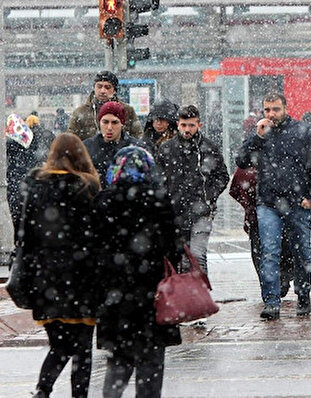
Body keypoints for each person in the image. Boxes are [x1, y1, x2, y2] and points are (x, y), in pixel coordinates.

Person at [94, 146, 183, 398]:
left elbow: (93, 249)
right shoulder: (159, 201)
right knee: (151, 360)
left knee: (119, 360)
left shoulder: (104, 202)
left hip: (116, 297)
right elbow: (174, 248)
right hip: (153, 295)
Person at [20, 133, 101, 398]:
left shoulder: (36, 187)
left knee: (60, 344)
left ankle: (43, 389)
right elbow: (97, 236)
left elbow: (26, 238)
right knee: (83, 348)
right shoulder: (87, 187)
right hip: (81, 279)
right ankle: (78, 394)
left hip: (46, 281)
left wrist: (29, 275)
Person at [236, 93, 311, 319]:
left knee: (302, 251)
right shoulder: (261, 134)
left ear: (285, 108)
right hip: (268, 202)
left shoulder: (302, 132)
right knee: (269, 252)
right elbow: (242, 161)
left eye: (275, 109)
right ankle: (272, 301)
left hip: (297, 202)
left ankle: (303, 295)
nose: (271, 114)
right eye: (267, 110)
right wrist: (257, 137)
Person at [156, 105, 229, 273]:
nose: (187, 129)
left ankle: (199, 294)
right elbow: (158, 179)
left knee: (197, 255)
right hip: (175, 211)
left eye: (191, 125)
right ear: (177, 124)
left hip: (202, 210)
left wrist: (209, 195)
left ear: (199, 125)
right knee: (179, 257)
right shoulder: (167, 149)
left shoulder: (209, 148)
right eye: (183, 125)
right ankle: (186, 293)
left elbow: (222, 176)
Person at [228, 165, 295, 298]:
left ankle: (280, 278)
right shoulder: (249, 165)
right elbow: (237, 186)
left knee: (281, 245)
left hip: (278, 208)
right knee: (261, 249)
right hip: (258, 213)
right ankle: (269, 284)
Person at [5, 114, 54, 228]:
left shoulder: (10, 139)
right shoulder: (34, 136)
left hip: (14, 175)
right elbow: (40, 153)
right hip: (29, 173)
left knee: (15, 204)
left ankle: (18, 225)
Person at [83, 101, 146, 188]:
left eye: (114, 122)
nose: (109, 128)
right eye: (105, 122)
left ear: (122, 124)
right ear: (99, 123)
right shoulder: (87, 147)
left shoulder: (136, 148)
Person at [66, 71, 142, 140]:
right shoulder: (80, 112)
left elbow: (138, 136)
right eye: (99, 86)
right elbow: (71, 140)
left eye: (107, 87)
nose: (103, 91)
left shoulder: (127, 110)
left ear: (114, 90)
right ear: (94, 88)